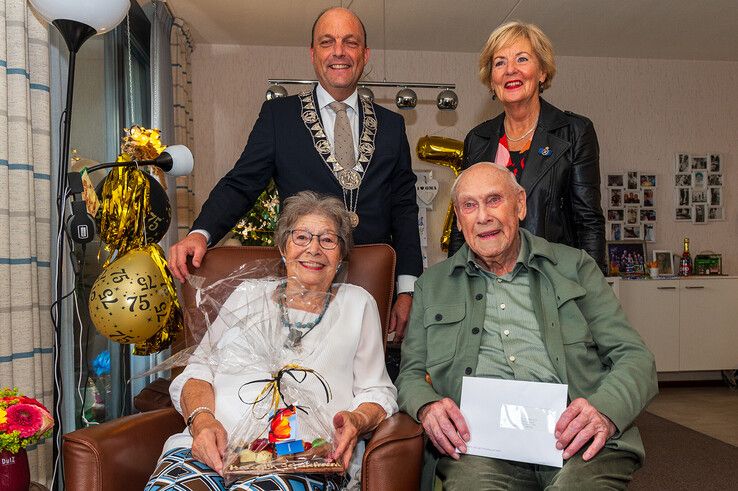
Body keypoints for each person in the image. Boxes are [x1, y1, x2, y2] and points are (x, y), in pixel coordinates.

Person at [396, 163, 657, 490]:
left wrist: (603, 410)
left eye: (494, 200)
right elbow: (409, 373)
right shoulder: (431, 285)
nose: (483, 217)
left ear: (520, 204)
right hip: (482, 448)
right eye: (469, 205)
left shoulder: (574, 267)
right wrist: (427, 406)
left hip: (577, 441)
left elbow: (636, 357)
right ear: (459, 220)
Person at [168, 7, 421, 341]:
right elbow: (242, 183)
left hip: (374, 277)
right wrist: (201, 233)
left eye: (350, 42)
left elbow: (404, 207)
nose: (339, 52)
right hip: (304, 278)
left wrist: (407, 288)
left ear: (365, 53)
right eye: (327, 42)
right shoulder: (279, 117)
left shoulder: (392, 125)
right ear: (313, 54)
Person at [147, 192, 398, 490]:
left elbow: (377, 390)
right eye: (301, 237)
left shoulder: (357, 304)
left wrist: (356, 420)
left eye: (328, 240)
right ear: (282, 247)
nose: (314, 249)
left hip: (304, 458)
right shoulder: (246, 293)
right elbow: (199, 371)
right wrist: (202, 423)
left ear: (341, 254)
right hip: (213, 450)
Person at [447, 21, 606, 274]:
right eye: (499, 62)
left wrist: (594, 289)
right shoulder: (477, 140)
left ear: (542, 72)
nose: (510, 70)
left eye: (521, 59)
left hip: (553, 279)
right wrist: (453, 280)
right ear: (491, 80)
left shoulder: (574, 132)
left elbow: (588, 221)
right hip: (486, 280)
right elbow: (463, 219)